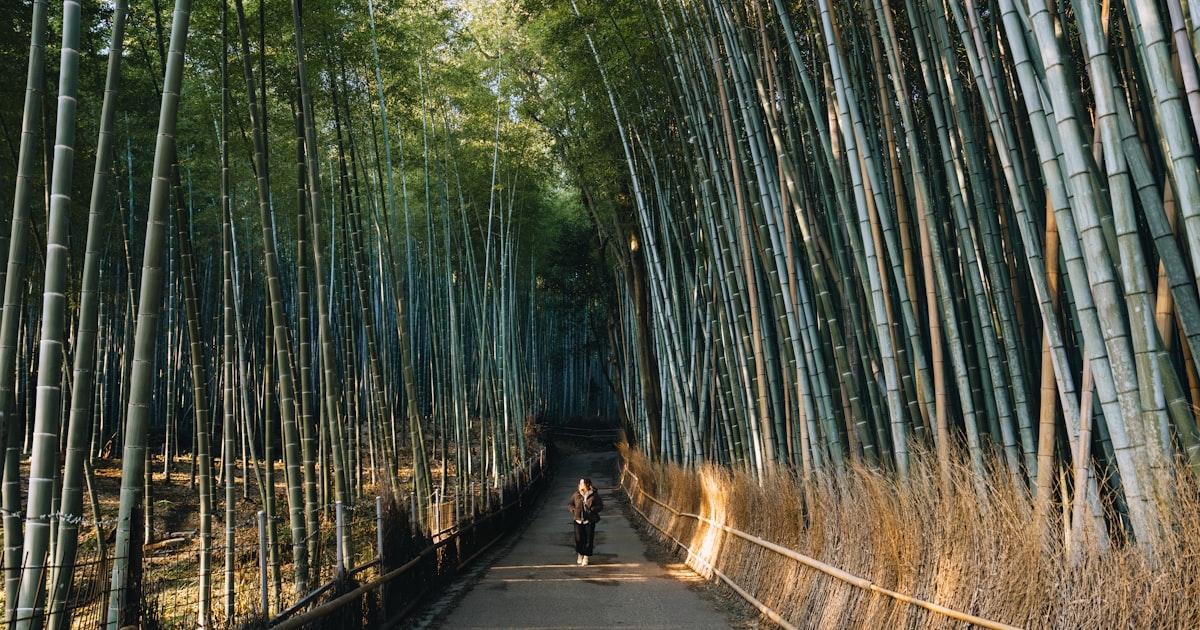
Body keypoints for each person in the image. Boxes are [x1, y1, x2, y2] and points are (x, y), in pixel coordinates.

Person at [568, 477, 603, 566]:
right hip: (578, 520)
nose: (580, 485)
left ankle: (586, 556)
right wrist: (574, 510)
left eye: (582, 483)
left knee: (588, 539)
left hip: (589, 520)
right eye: (580, 483)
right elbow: (570, 504)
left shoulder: (594, 495)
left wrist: (592, 509)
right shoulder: (576, 495)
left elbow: (600, 506)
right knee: (579, 539)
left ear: (587, 484)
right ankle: (580, 554)